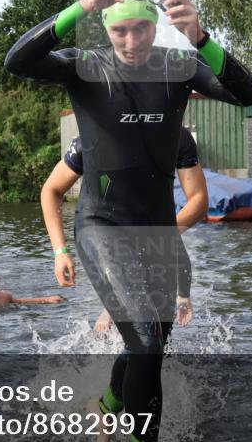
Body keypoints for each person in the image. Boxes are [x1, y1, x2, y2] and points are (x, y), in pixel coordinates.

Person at [5, 0, 252, 442]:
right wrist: (82, 5)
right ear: (107, 30)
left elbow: (249, 94)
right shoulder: (84, 66)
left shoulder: (178, 66)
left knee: (153, 347)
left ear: (154, 27)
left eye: (140, 29)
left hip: (156, 232)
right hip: (101, 226)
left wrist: (203, 38)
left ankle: (111, 402)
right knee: (143, 337)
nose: (131, 41)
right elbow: (16, 59)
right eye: (120, 30)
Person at [41, 128, 207, 334]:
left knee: (160, 338)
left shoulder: (176, 135)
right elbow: (51, 189)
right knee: (141, 332)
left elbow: (199, 201)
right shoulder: (93, 137)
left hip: (155, 231)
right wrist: (60, 252)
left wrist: (184, 295)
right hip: (107, 233)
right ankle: (110, 316)